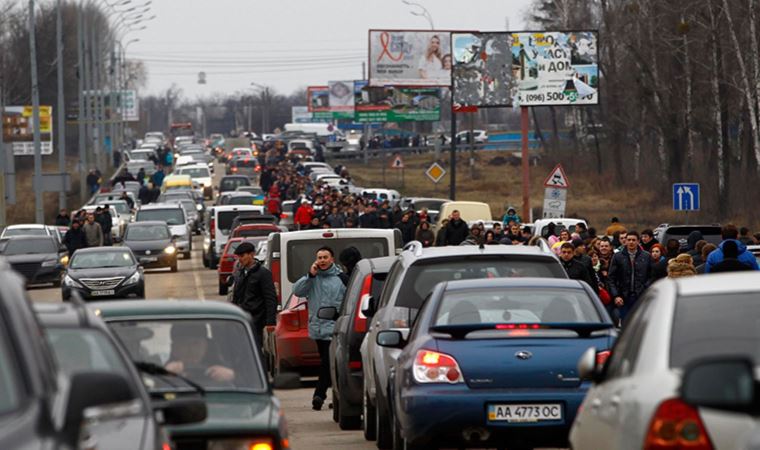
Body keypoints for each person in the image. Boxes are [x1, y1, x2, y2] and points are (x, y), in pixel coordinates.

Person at [292, 247, 347, 411]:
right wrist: (310, 275)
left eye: (325, 257)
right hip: (317, 329)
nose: (322, 260)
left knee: (327, 362)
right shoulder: (312, 278)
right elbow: (297, 291)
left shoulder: (341, 278)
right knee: (328, 364)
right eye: (319, 257)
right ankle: (337, 397)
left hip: (334, 328)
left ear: (332, 259)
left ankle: (319, 394)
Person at [230, 242, 277, 351]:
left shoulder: (263, 273)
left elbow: (270, 298)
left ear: (252, 254)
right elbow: (236, 297)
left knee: (255, 349)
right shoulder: (240, 273)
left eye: (242, 256)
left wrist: (270, 321)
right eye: (238, 257)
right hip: (241, 319)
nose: (240, 259)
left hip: (257, 320)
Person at [164, 322, 235, 383]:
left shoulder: (221, 369)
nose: (191, 350)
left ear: (206, 346)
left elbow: (244, 383)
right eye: (184, 344)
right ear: (174, 348)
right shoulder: (165, 371)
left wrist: (233, 376)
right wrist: (164, 375)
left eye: (196, 343)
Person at [607, 231, 652, 324]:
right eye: (629, 240)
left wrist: (645, 289)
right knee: (625, 324)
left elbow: (651, 276)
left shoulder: (646, 256)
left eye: (633, 240)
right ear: (625, 241)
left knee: (640, 323)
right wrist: (616, 296)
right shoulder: (618, 256)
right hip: (623, 297)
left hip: (640, 296)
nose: (631, 242)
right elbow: (611, 278)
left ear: (638, 241)